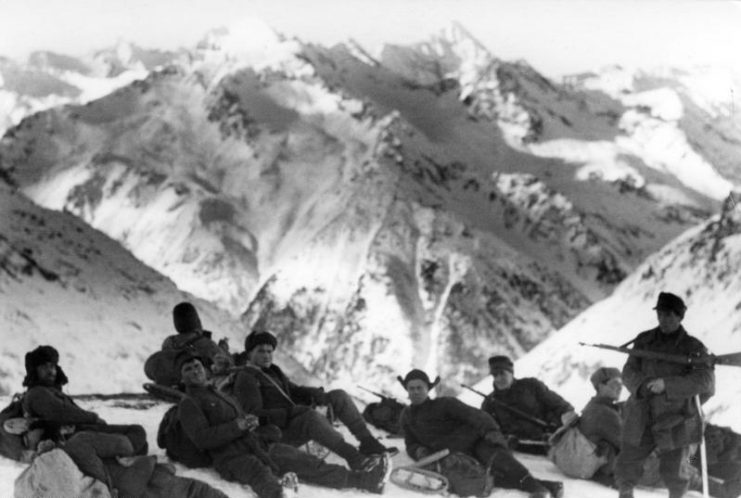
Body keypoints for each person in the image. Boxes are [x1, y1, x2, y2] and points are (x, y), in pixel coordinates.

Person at [176, 352, 390, 498]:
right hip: (232, 457)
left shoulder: (217, 393)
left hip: (257, 445)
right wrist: (238, 426)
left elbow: (243, 420)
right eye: (188, 369)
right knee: (262, 476)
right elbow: (202, 439)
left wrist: (253, 428)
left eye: (197, 366)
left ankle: (365, 480)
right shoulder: (189, 403)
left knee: (309, 464)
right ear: (182, 377)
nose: (195, 371)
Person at [230, 331, 395, 471]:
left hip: (293, 420)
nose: (266, 355)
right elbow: (255, 416)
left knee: (338, 396)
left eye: (269, 351)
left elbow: (292, 389)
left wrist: (315, 393)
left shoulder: (272, 371)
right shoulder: (247, 378)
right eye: (260, 351)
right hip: (277, 432)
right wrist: (293, 412)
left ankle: (368, 442)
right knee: (310, 417)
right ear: (249, 353)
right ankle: (355, 459)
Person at [398, 368, 563, 498]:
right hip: (450, 455)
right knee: (483, 478)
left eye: (420, 387)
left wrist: (491, 431)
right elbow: (410, 443)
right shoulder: (406, 416)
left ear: (428, 388)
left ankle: (539, 490)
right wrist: (419, 451)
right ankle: (549, 486)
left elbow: (477, 416)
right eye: (411, 388)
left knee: (499, 462)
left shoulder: (446, 403)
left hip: (475, 441)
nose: (415, 392)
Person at [615, 292, 715, 498]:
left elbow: (706, 382)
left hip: (676, 419)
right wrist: (642, 386)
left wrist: (668, 387)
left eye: (669, 315)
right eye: (660, 314)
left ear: (679, 317)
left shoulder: (693, 347)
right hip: (641, 413)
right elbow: (628, 371)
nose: (663, 320)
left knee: (676, 472)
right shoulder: (644, 340)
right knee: (627, 463)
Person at [481, 355, 576, 451]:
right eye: (495, 375)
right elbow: (491, 433)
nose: (498, 379)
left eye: (502, 374)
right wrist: (505, 440)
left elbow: (561, 406)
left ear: (511, 372)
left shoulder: (531, 385)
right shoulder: (489, 405)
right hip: (526, 454)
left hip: (556, 441)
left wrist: (566, 418)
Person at [579, 367, 624, 487]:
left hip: (602, 465)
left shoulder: (594, 406)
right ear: (600, 386)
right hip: (609, 469)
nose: (620, 388)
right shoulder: (604, 413)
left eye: (621, 384)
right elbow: (628, 444)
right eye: (615, 384)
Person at [162, 302, 226, 366]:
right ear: (197, 321)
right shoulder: (207, 344)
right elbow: (226, 363)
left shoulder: (168, 342)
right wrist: (223, 349)